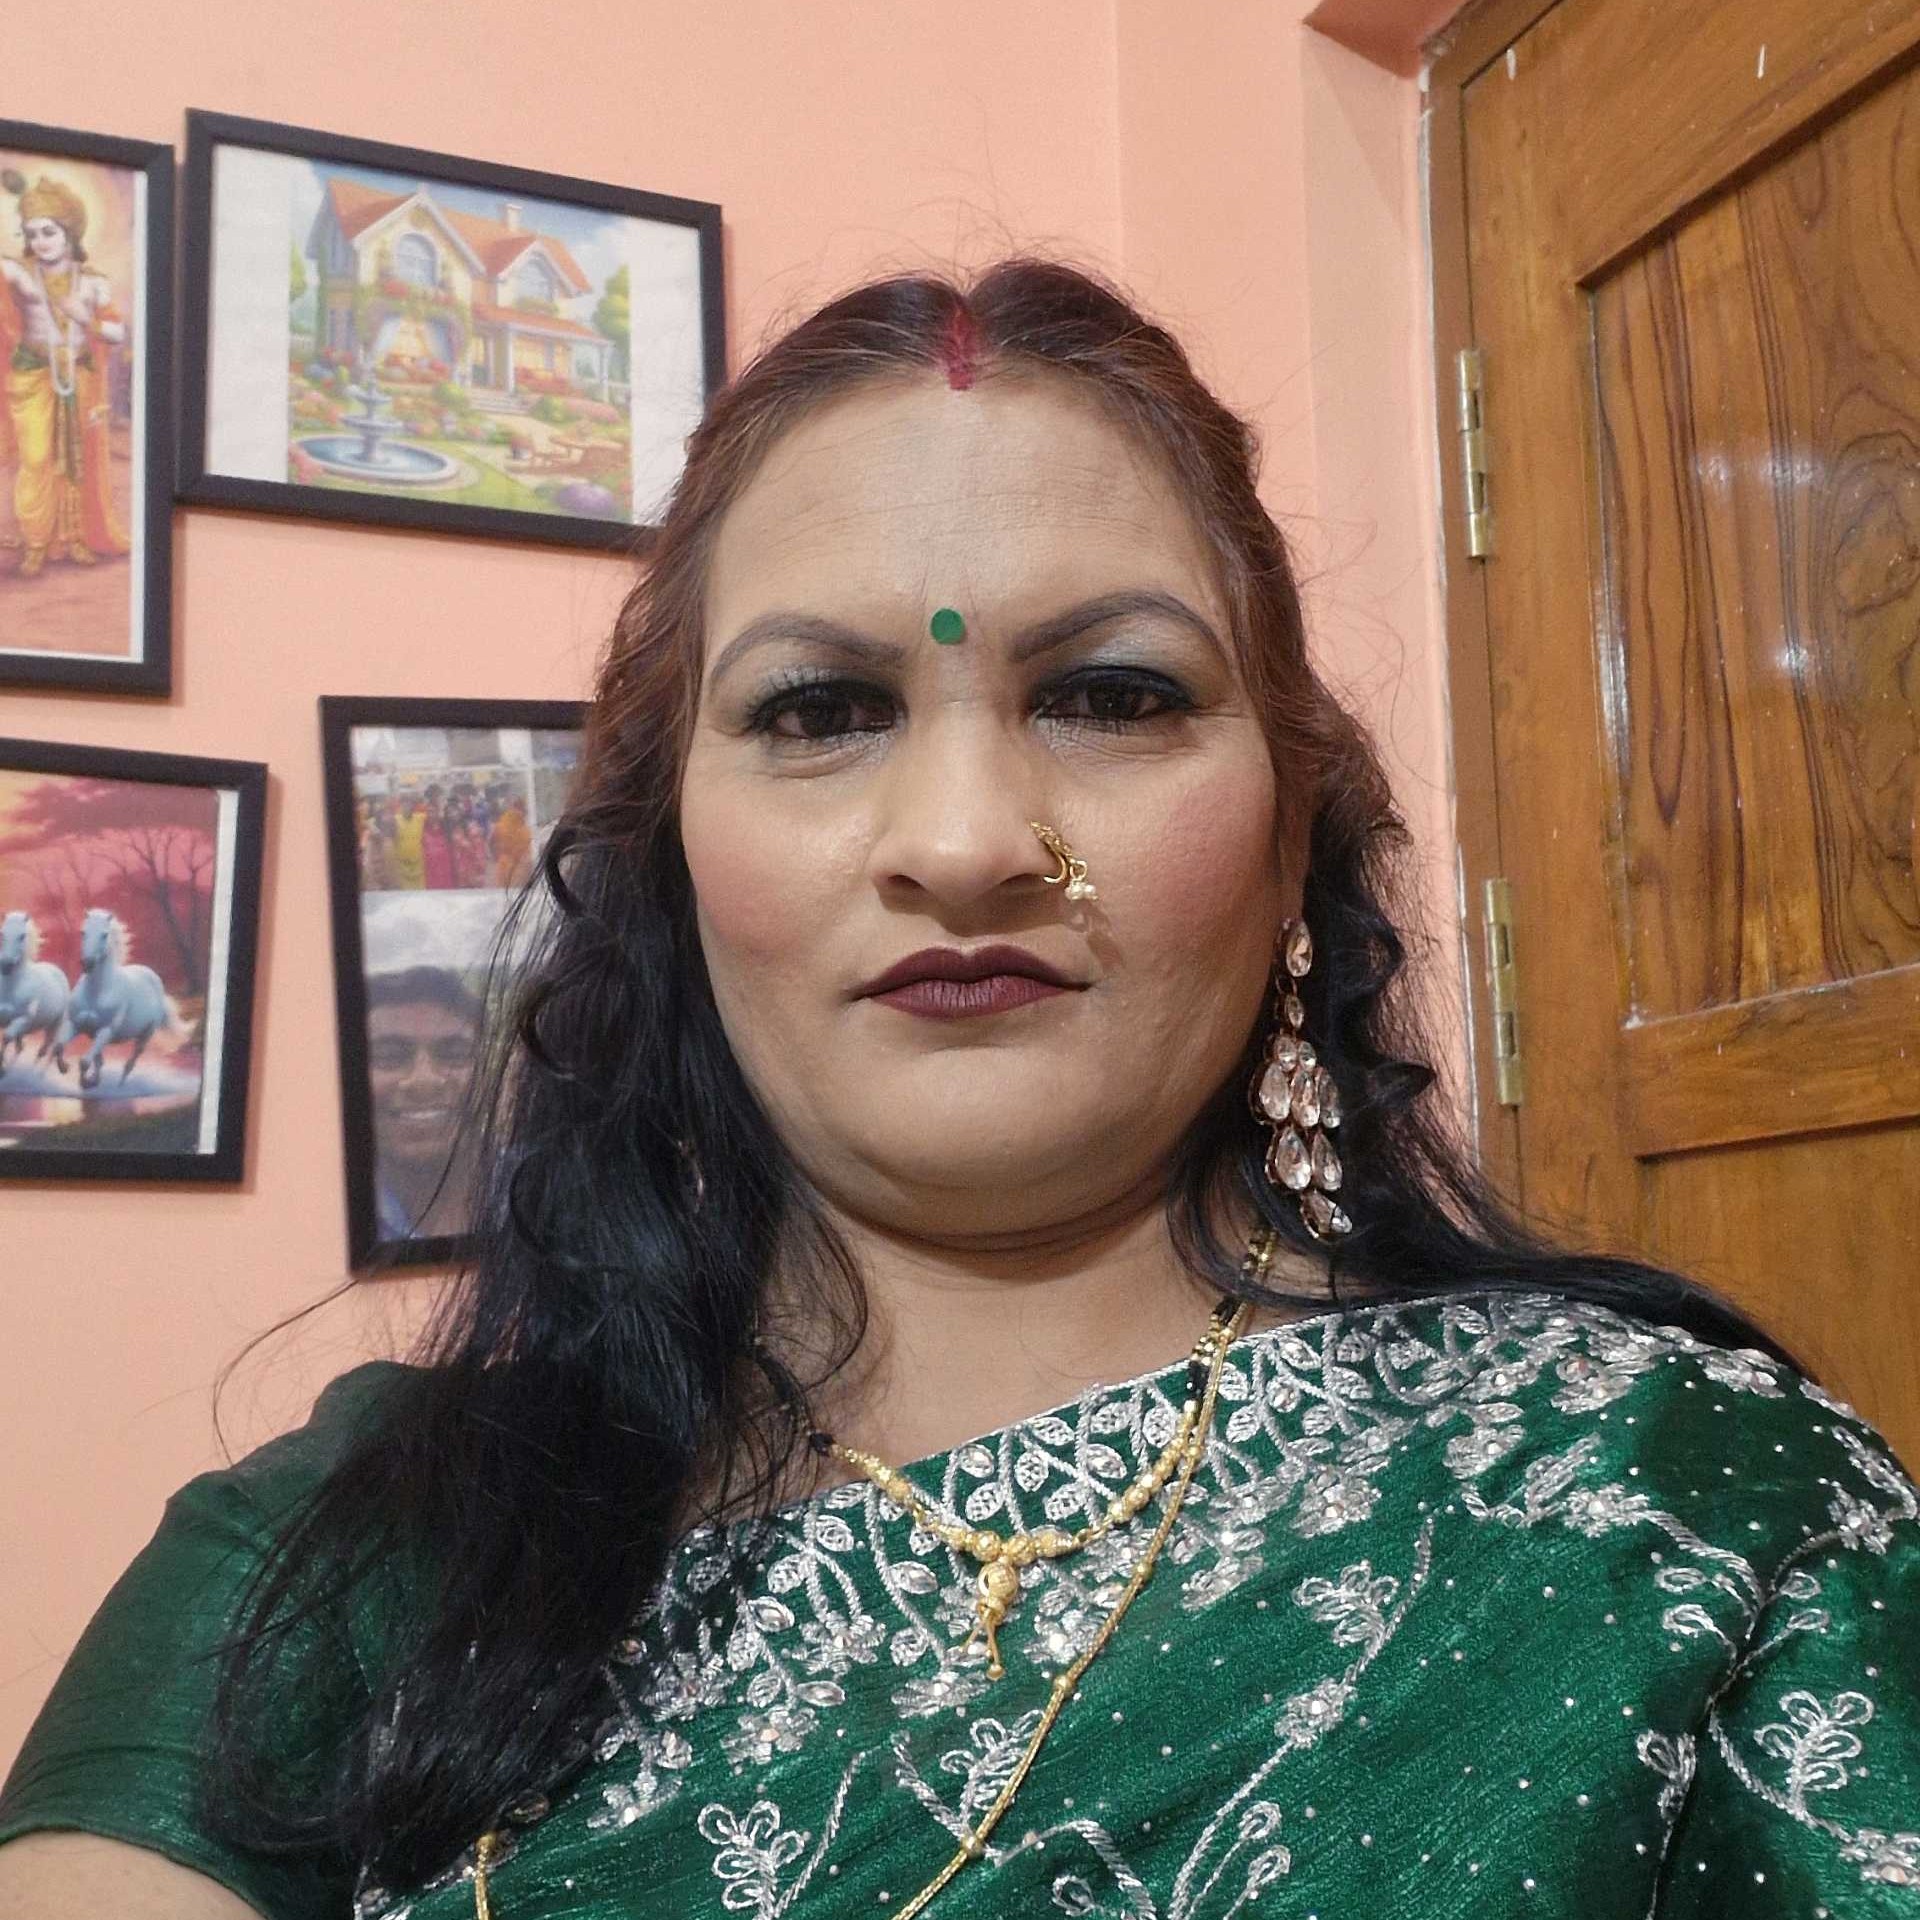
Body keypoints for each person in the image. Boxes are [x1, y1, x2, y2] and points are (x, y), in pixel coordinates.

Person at [0, 259, 1913, 1920]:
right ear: (671, 862)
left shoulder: (1671, 1507)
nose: (971, 840)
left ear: (1290, 833)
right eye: (821, 711)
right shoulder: (352, 1563)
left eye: (1114, 694)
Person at [0, 172, 130, 576]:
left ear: (70, 232)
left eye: (49, 232)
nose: (40, 241)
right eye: (32, 233)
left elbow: (117, 333)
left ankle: (74, 539)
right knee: (37, 457)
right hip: (32, 376)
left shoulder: (92, 284)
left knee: (75, 457)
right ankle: (36, 542)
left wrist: (86, 319)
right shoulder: (19, 273)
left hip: (79, 377)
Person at [363, 966, 482, 1244]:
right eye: (389, 1055)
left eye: (454, 1054)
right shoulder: (322, 1211)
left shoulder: (547, 1190)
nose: (425, 1081)